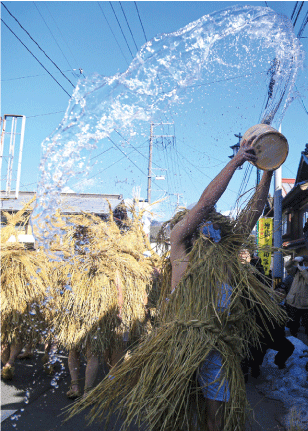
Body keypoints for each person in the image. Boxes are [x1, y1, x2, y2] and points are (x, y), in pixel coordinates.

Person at [69, 136, 286, 431]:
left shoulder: (225, 253)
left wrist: (269, 169)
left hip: (217, 345)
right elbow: (206, 202)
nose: (210, 222)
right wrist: (235, 162)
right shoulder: (181, 246)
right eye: (203, 220)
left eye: (215, 221)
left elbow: (254, 209)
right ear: (194, 226)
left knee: (216, 417)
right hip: (178, 343)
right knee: (172, 416)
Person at [284, 255, 308, 337]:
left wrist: (303, 270)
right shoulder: (297, 270)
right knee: (293, 324)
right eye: (302, 262)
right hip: (293, 301)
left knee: (306, 325)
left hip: (305, 304)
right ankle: (294, 341)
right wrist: (292, 260)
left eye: (305, 262)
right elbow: (287, 267)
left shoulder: (303, 271)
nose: (302, 264)